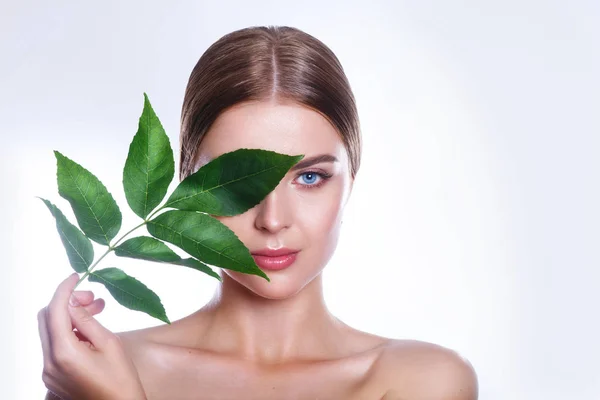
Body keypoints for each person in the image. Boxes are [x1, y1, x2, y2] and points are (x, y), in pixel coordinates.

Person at [38, 25, 478, 399]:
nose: (272, 220)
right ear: (188, 184)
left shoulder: (421, 379)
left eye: (309, 178)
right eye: (238, 182)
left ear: (351, 181)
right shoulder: (95, 370)